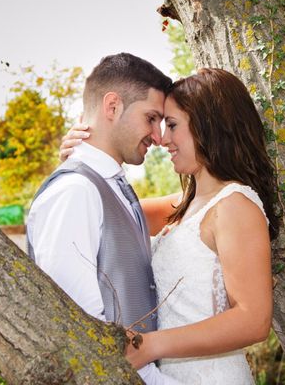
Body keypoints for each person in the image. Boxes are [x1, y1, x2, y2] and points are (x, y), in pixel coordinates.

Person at [62, 68, 278, 384]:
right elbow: (99, 208)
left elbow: (253, 319)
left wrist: (149, 346)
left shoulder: (235, 206)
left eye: (173, 125)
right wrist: (78, 159)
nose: (162, 139)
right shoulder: (184, 205)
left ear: (209, 127)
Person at [26, 52, 182, 385]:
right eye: (151, 118)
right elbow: (78, 333)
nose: (158, 136)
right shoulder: (75, 192)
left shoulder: (109, 188)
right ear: (112, 106)